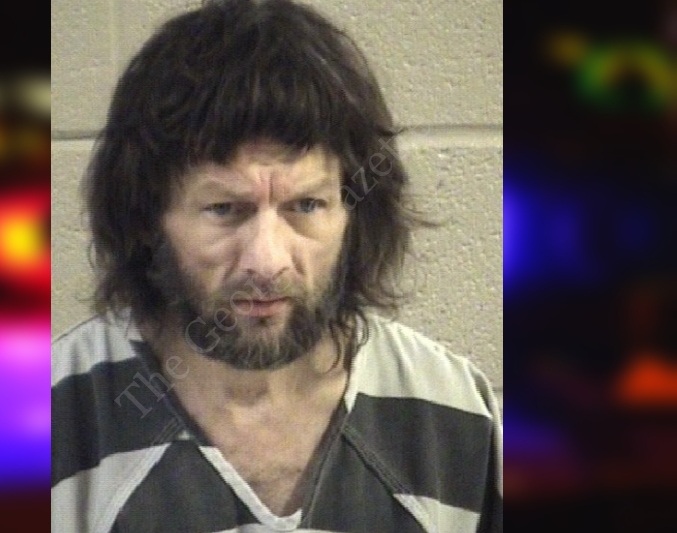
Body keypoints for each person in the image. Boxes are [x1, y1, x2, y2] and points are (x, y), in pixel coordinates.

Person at [51, 0, 503, 531]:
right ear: (148, 216)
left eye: (306, 205)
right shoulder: (52, 417)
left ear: (354, 214)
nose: (267, 261)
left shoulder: (452, 415)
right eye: (224, 209)